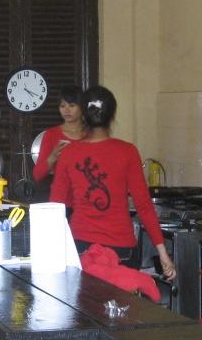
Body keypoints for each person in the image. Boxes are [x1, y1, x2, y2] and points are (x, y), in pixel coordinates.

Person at [50, 86, 176, 280]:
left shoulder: (68, 153)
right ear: (112, 116)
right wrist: (162, 252)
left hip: (80, 245)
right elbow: (143, 205)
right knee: (121, 300)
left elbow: (55, 206)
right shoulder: (127, 151)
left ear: (83, 116)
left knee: (84, 300)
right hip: (121, 248)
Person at [32, 84, 87, 185]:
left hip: (88, 191)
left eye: (72, 105)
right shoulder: (51, 134)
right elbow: (37, 174)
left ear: (82, 107)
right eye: (62, 106)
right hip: (61, 191)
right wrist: (53, 157)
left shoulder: (91, 134)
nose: (66, 110)